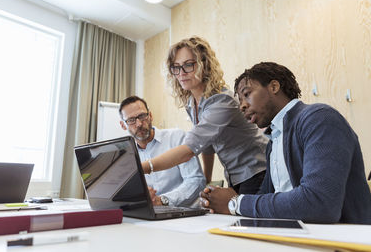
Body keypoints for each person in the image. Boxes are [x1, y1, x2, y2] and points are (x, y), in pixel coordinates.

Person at [201, 62, 371, 224]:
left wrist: (236, 203)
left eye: (247, 94)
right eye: (240, 100)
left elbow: (320, 204)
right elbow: (265, 198)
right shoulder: (273, 142)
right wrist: (230, 198)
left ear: (274, 87)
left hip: (344, 239)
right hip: (300, 236)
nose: (242, 106)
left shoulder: (319, 118)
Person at [140, 36, 268, 198]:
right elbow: (206, 145)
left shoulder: (221, 100)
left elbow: (189, 149)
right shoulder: (192, 104)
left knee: (249, 220)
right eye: (176, 67)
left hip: (257, 171)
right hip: (236, 175)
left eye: (188, 65)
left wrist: (142, 167)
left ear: (204, 65)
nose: (181, 73)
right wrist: (207, 180)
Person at [119, 96, 206, 207]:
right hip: (148, 216)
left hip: (184, 214)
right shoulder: (125, 155)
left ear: (150, 116)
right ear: (123, 125)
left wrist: (163, 200)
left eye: (142, 116)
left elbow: (196, 180)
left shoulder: (177, 137)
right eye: (131, 120)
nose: (139, 124)